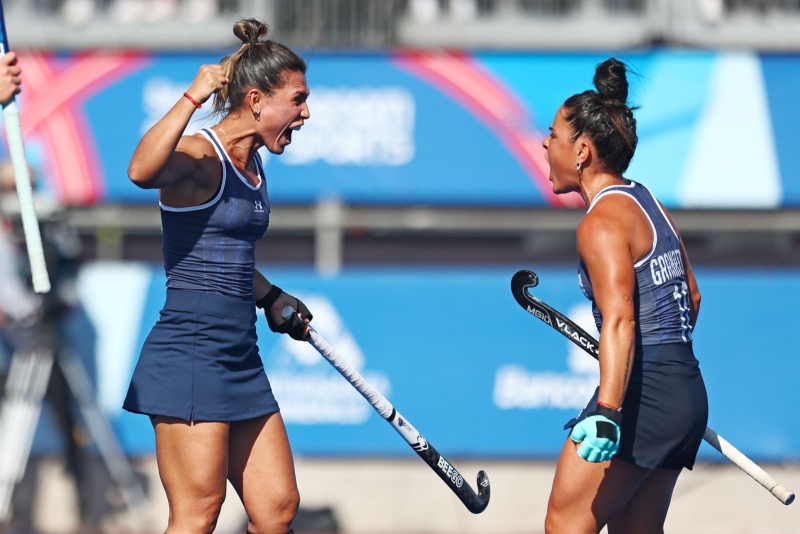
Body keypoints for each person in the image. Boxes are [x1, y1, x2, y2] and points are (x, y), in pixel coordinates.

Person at [122, 18, 312, 534]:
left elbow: (228, 259)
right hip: (189, 351)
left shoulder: (253, 165)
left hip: (239, 350)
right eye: (296, 99)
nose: (305, 112)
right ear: (255, 101)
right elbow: (140, 171)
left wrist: (270, 295)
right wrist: (191, 97)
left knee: (276, 509)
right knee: (197, 514)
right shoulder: (202, 156)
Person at [540, 57, 708, 533]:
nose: (544, 143)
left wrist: (612, 411)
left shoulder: (600, 223)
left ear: (582, 152)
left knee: (563, 527)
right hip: (684, 389)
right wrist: (662, 373)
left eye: (553, 135)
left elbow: (620, 321)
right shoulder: (646, 199)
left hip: (640, 397)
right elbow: (691, 298)